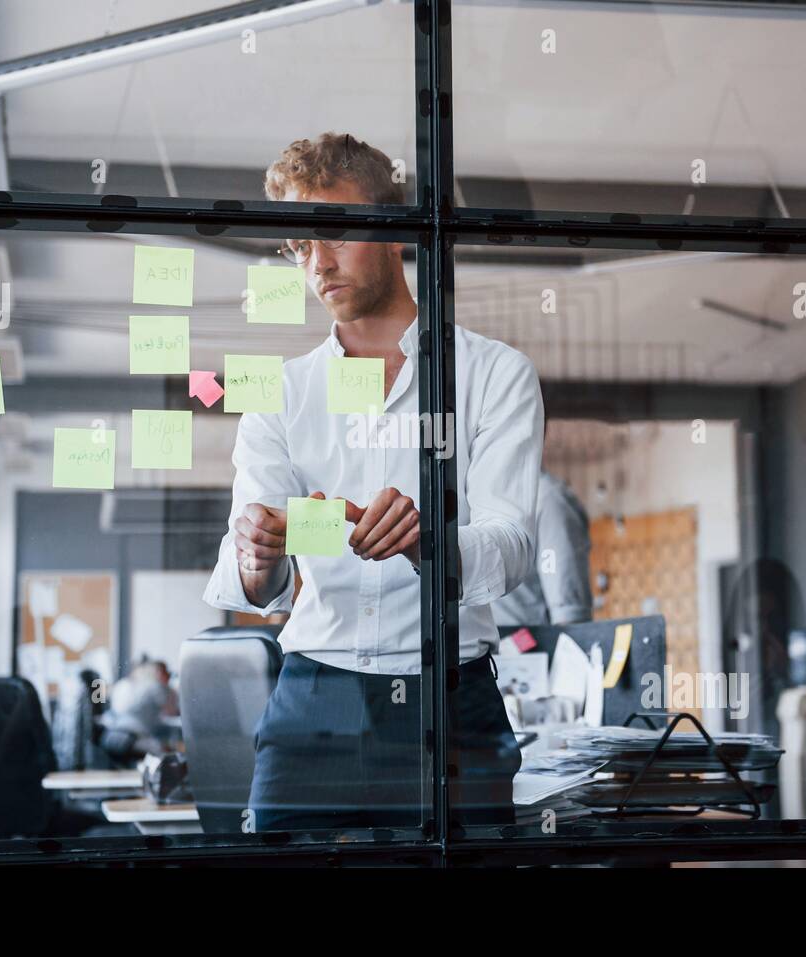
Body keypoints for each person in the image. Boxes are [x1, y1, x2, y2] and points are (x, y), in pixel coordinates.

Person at [203, 132, 543, 831]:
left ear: (395, 230)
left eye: (333, 233)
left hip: (452, 703)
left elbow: (512, 547)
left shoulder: (493, 375)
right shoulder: (280, 393)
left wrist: (429, 543)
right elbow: (254, 582)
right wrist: (259, 556)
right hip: (312, 697)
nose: (316, 262)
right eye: (298, 246)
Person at [490, 467, 593, 627]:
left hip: (531, 646)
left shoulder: (547, 500)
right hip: (483, 646)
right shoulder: (476, 497)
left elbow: (569, 616)